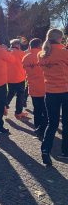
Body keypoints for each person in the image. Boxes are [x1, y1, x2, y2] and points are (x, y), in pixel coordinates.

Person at [38, 29, 68, 165]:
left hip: (50, 92)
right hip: (65, 91)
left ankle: (45, 150)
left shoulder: (41, 55)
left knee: (52, 123)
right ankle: (65, 152)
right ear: (60, 38)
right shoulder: (64, 52)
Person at [22, 38, 47, 140]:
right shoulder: (44, 55)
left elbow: (25, 69)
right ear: (40, 45)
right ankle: (44, 130)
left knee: (37, 110)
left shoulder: (25, 58)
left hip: (33, 88)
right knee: (46, 111)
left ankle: (38, 130)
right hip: (45, 87)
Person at [6, 39, 28, 119]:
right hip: (20, 77)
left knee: (11, 93)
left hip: (9, 77)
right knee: (20, 95)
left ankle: (5, 105)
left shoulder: (7, 52)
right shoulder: (22, 53)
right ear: (18, 45)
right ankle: (18, 113)